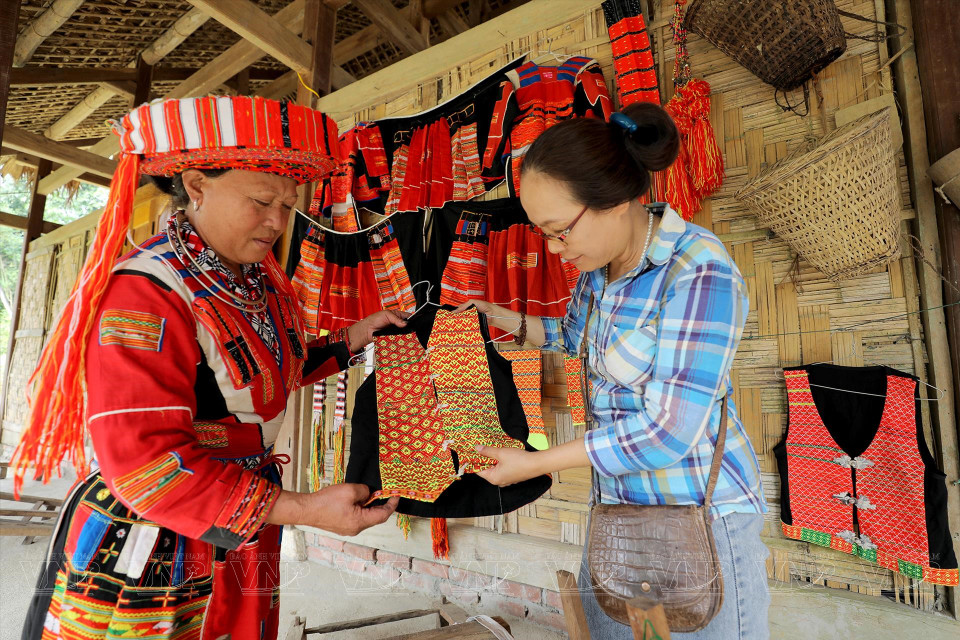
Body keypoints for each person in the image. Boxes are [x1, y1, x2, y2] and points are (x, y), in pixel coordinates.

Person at [14, 96, 401, 640]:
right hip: (160, 530)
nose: (277, 222)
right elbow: (144, 464)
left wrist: (354, 337)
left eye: (288, 206)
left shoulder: (256, 281)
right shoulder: (146, 292)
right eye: (262, 201)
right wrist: (304, 509)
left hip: (243, 516)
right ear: (196, 186)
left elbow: (258, 377)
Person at [458, 102, 770, 639]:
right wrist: (502, 318)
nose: (554, 250)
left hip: (696, 521)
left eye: (560, 231)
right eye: (543, 234)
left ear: (617, 201)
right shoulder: (599, 275)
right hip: (623, 517)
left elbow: (667, 433)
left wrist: (535, 464)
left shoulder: (697, 272)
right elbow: (572, 340)